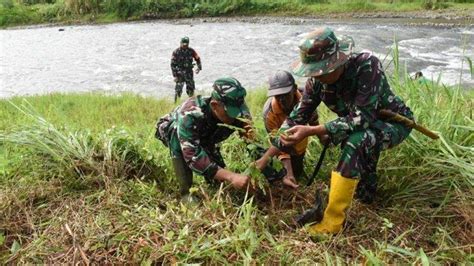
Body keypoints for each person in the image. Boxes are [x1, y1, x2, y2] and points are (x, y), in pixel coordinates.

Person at [258, 27, 414, 235]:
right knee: (357, 147)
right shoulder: (316, 83)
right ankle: (366, 196)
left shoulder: (367, 65)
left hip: (392, 122)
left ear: (337, 61)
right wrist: (266, 157)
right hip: (360, 124)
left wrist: (314, 130)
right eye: (312, 71)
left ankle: (332, 223)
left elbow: (361, 119)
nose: (315, 76)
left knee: (357, 140)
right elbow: (295, 118)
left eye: (320, 70)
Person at [155, 77, 253, 202]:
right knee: (176, 133)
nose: (236, 118)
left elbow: (254, 145)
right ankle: (185, 193)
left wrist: (275, 176)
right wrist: (231, 176)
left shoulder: (240, 112)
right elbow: (193, 156)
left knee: (219, 181)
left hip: (206, 137)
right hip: (175, 131)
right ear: (215, 105)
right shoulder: (190, 113)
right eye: (231, 113)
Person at [262, 70, 317, 188]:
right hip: (280, 150)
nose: (282, 100)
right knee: (284, 177)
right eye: (278, 96)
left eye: (285, 95)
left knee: (298, 172)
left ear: (294, 88)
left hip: (300, 145)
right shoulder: (269, 114)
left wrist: (322, 136)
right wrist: (288, 172)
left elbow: (313, 119)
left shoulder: (307, 98)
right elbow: (278, 143)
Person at [171, 37, 202, 102]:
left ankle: (191, 105)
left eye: (186, 44)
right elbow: (172, 64)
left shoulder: (191, 51)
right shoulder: (176, 52)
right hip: (180, 74)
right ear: (180, 43)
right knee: (178, 91)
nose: (185, 46)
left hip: (189, 73)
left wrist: (199, 67)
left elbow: (197, 58)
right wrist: (175, 76)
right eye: (183, 44)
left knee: (191, 91)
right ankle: (176, 104)